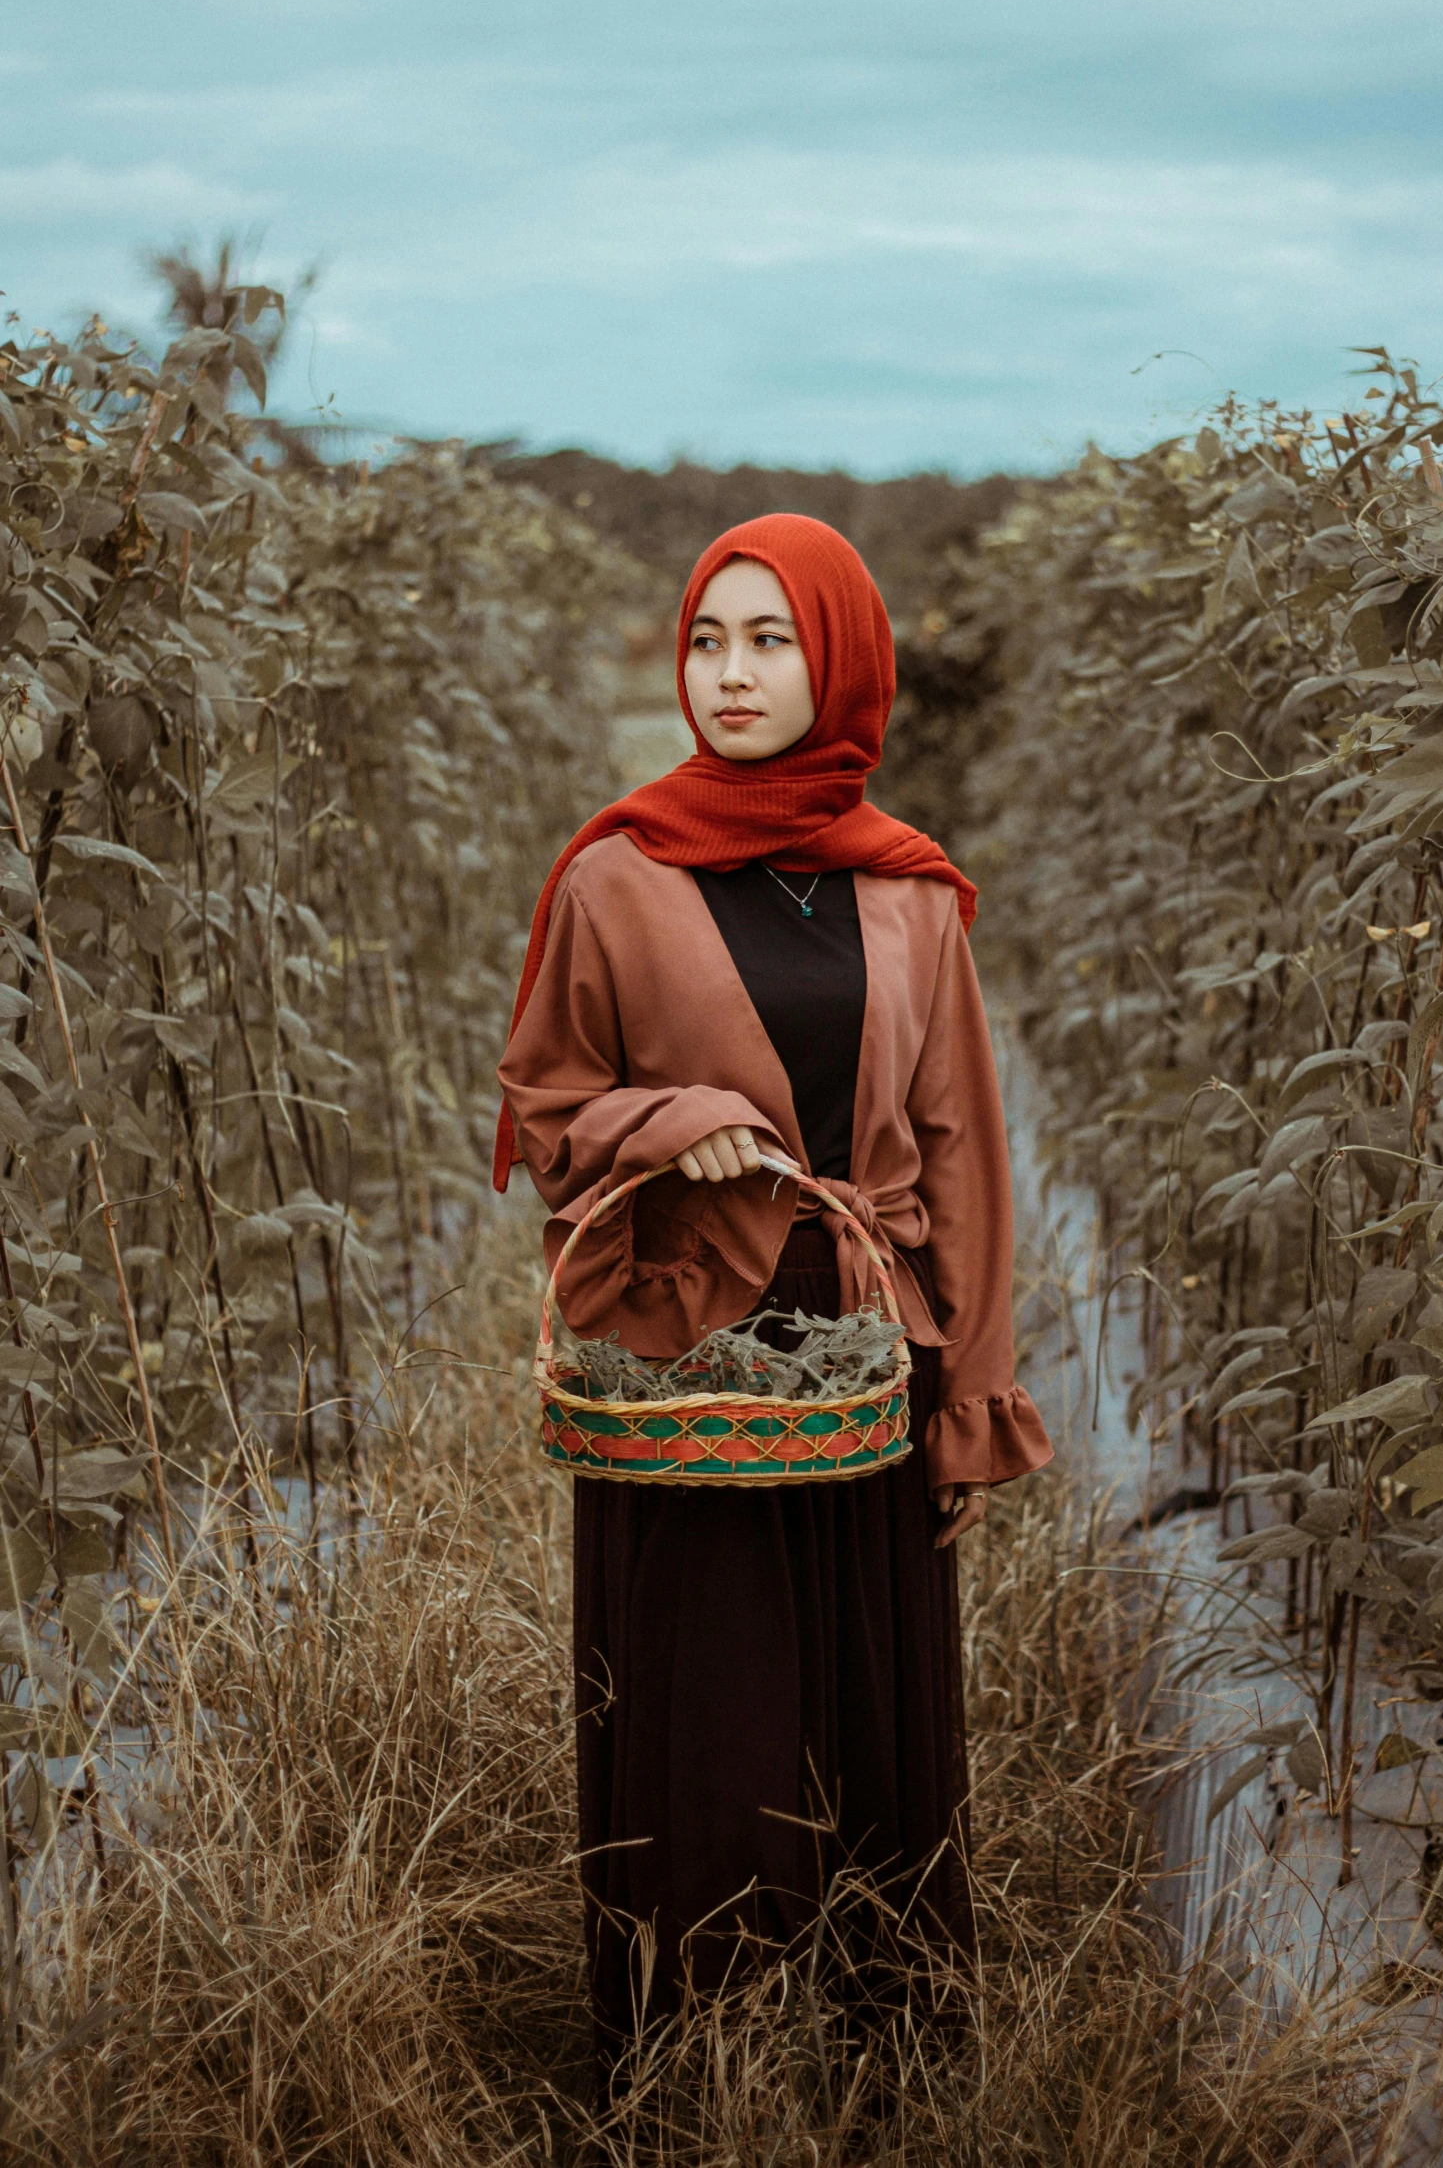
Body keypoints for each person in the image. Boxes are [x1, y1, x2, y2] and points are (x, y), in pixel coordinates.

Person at [495, 513, 1052, 2049]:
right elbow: (547, 1113)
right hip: (690, 1353)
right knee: (710, 1732)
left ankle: (882, 2069)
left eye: (771, 639)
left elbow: (963, 1164)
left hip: (866, 1354)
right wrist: (672, 1126)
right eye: (706, 639)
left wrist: (969, 1395)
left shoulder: (911, 894)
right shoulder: (616, 875)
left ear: (842, 659)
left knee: (869, 1728)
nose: (729, 673)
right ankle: (695, 2070)